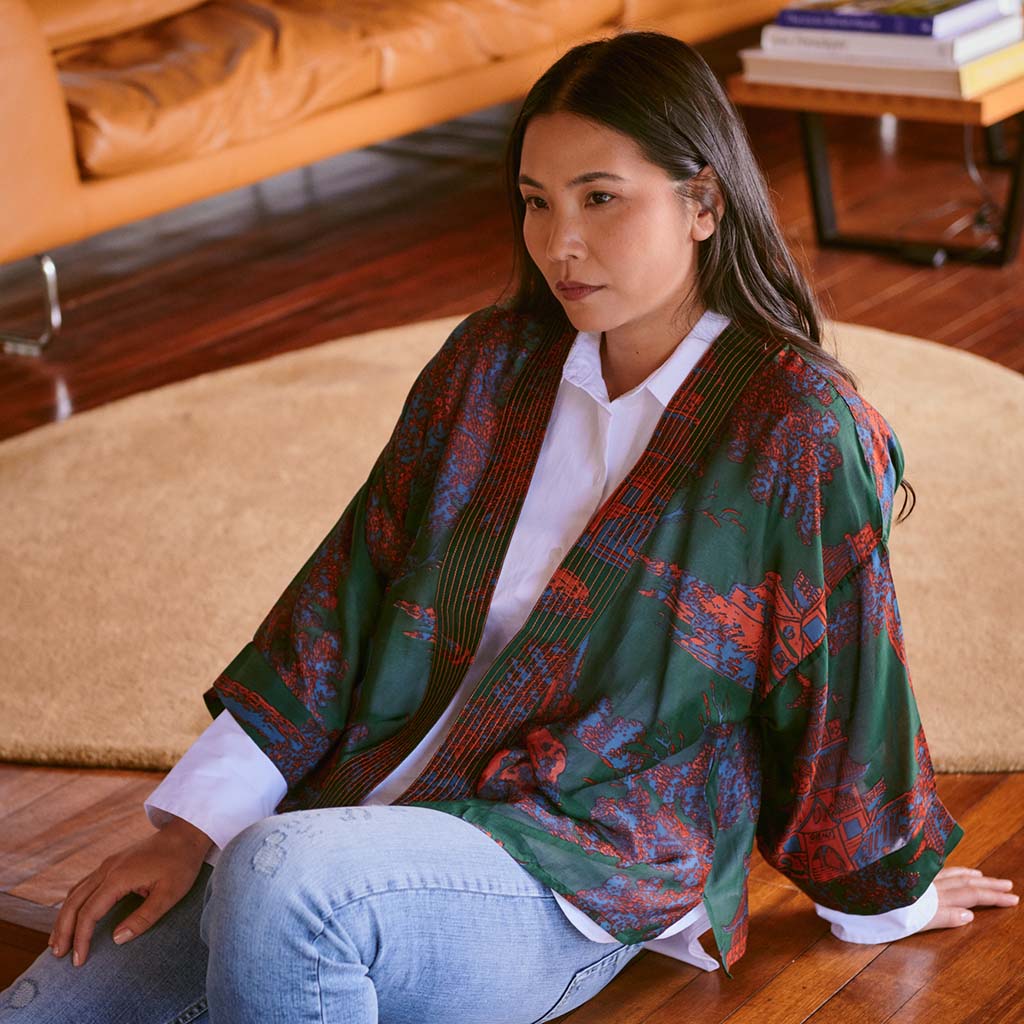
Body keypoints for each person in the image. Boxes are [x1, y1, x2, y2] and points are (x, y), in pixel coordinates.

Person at [2, 29, 1016, 1024]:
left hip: (574, 864)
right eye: (536, 201)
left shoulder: (793, 427)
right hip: (367, 811)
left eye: (600, 199)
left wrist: (885, 895)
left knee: (284, 886)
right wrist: (188, 830)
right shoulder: (487, 364)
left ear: (703, 202)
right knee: (52, 1001)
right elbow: (339, 602)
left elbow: (843, 682)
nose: (559, 242)